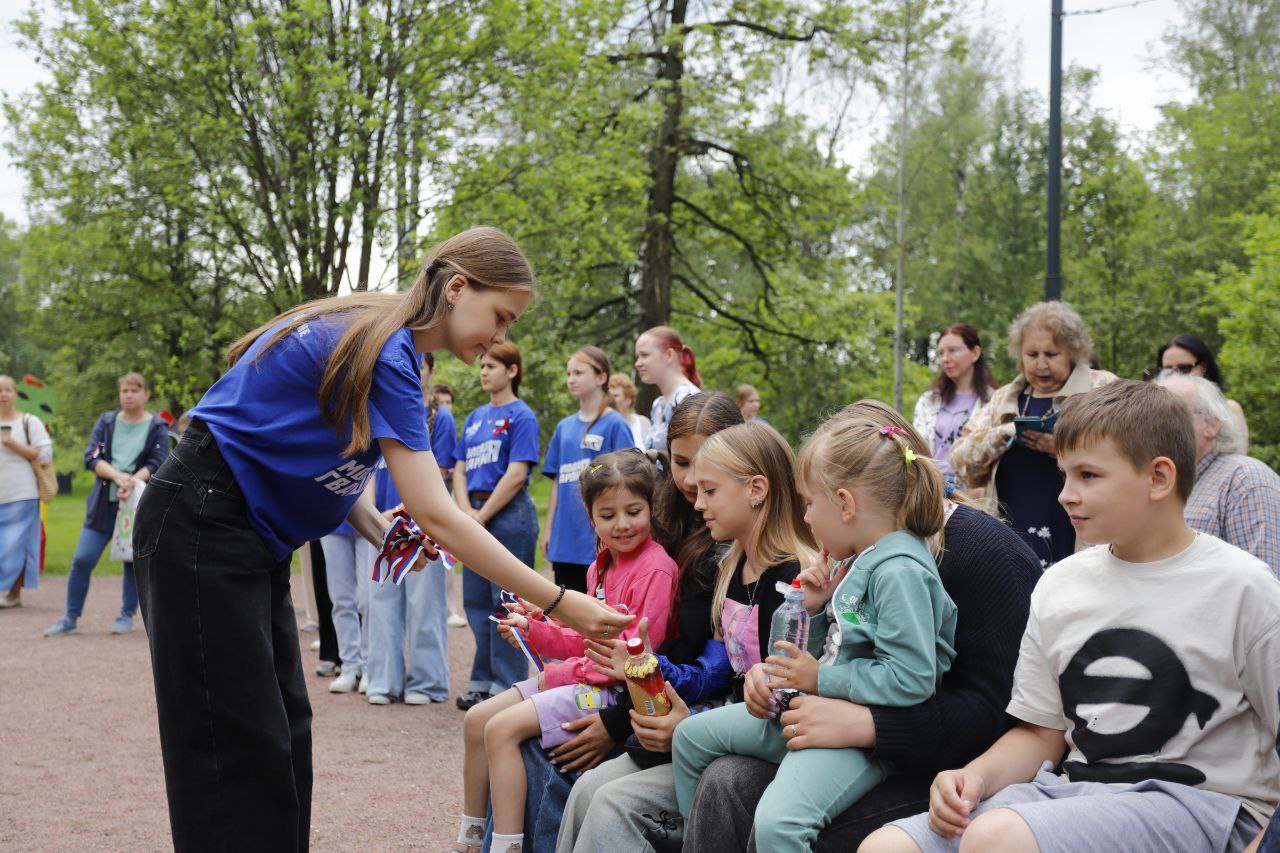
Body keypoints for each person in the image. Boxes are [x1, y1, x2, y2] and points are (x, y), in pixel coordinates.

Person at [131, 227, 631, 852]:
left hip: (244, 537)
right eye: (500, 317)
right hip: (200, 523)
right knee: (230, 745)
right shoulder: (385, 349)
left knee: (283, 733)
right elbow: (442, 515)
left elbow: (311, 452)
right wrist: (563, 603)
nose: (499, 339)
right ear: (456, 288)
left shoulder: (388, 346)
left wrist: (376, 524)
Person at [860, 380, 1280, 853]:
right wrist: (971, 777)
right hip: (1073, 793)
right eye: (1064, 474)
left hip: (1204, 807)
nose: (1065, 495)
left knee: (998, 837)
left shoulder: (1245, 587)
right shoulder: (1060, 585)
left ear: (1159, 478)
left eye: (1089, 476)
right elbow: (1042, 733)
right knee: (888, 846)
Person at [682, 401, 1042, 853]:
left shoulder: (987, 556)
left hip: (950, 772)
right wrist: (776, 675)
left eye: (812, 502)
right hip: (856, 730)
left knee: (786, 820)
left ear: (852, 497)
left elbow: (996, 714)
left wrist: (868, 725)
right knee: (725, 779)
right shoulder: (861, 550)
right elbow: (841, 648)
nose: (807, 519)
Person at [488, 391, 744, 853]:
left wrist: (613, 720)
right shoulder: (656, 517)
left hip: (662, 705)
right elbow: (599, 629)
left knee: (549, 757)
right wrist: (540, 621)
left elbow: (697, 658)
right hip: (636, 693)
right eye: (681, 463)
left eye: (706, 465)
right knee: (511, 736)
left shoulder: (723, 542)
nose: (691, 479)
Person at [557, 419, 814, 852]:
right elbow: (715, 674)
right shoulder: (731, 566)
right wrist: (645, 667)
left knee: (612, 803)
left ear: (756, 490)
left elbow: (782, 706)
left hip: (755, 753)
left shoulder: (791, 583)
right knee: (588, 788)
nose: (698, 505)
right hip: (715, 731)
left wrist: (688, 726)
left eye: (710, 491)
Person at [457, 450, 678, 853]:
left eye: (634, 511)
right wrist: (536, 629)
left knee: (501, 729)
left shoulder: (656, 569)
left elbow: (637, 658)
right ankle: (471, 837)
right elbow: (583, 636)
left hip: (613, 693)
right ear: (591, 517)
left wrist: (558, 672)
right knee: (477, 719)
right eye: (608, 516)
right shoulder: (601, 567)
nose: (623, 525)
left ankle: (506, 845)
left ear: (651, 506)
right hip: (578, 677)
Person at [950, 302, 1116, 566]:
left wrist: (1062, 449)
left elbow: (1128, 453)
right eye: (1031, 354)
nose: (1041, 365)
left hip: (1078, 530)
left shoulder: (1103, 388)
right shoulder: (1004, 398)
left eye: (1051, 354)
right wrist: (1003, 433)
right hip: (1012, 526)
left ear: (1073, 352)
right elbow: (959, 459)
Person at [451, 341, 541, 710]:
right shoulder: (474, 419)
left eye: (491, 365)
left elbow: (517, 473)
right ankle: (483, 678)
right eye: (482, 365)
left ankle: (509, 685)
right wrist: (463, 513)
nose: (484, 371)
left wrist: (481, 515)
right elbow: (458, 468)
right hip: (472, 513)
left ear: (512, 371)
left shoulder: (522, 416)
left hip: (507, 514)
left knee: (504, 601)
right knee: (474, 600)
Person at [364, 352, 457, 705]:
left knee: (424, 606)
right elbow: (366, 471)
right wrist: (375, 516)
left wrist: (415, 514)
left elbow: (442, 475)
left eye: (419, 364)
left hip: (423, 524)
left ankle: (427, 682)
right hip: (384, 522)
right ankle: (383, 681)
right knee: (381, 601)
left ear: (430, 372)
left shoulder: (440, 418)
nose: (412, 370)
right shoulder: (376, 412)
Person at [46, 372, 169, 637]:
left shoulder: (157, 426)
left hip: (136, 504)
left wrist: (132, 482)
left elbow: (159, 462)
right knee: (82, 559)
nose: (128, 395)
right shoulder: (106, 421)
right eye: (124, 390)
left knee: (131, 562)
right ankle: (70, 616)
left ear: (146, 394)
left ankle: (126, 615)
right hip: (103, 503)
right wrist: (116, 476)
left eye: (135, 390)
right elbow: (91, 456)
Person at [1156, 373, 1280, 573]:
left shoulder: (1246, 480)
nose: (1152, 424)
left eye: (1170, 413)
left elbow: (1267, 584)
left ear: (1211, 425)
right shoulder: (1155, 481)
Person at [541, 347, 636, 594]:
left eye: (578, 372)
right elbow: (557, 482)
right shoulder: (564, 427)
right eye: (569, 373)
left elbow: (629, 481)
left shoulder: (615, 424)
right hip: (565, 540)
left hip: (599, 540)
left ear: (601, 377)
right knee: (565, 614)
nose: (571, 379)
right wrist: (549, 528)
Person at [913, 324, 995, 486]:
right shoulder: (928, 402)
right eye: (941, 352)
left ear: (975, 353)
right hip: (932, 488)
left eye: (953, 350)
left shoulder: (994, 402)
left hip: (974, 491)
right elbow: (916, 449)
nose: (945, 358)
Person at [0, 374, 53, 609]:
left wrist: (16, 447)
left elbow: (45, 454)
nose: (3, 395)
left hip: (22, 493)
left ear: (15, 394)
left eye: (7, 390)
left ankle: (12, 593)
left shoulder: (29, 422)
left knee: (14, 544)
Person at [1154, 333, 1248, 448]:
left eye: (1184, 368)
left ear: (1203, 367)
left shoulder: (1229, 409)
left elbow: (1238, 454)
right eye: (1167, 370)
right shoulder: (1153, 410)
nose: (1175, 375)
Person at [431, 379, 466, 627]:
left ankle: (451, 607)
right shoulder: (435, 424)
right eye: (441, 402)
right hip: (437, 497)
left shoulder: (450, 428)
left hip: (449, 496)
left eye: (448, 402)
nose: (445, 406)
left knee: (448, 557)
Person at [318, 521, 368, 693]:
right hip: (334, 520)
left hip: (373, 516)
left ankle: (371, 667)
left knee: (367, 600)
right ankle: (350, 666)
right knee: (340, 599)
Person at [635, 326, 701, 452]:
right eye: (638, 356)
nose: (637, 363)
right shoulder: (658, 404)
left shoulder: (687, 399)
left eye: (644, 355)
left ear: (669, 355)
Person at [608, 373, 651, 449]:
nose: (610, 400)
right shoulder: (604, 425)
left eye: (616, 396)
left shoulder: (643, 422)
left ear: (628, 400)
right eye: (609, 396)